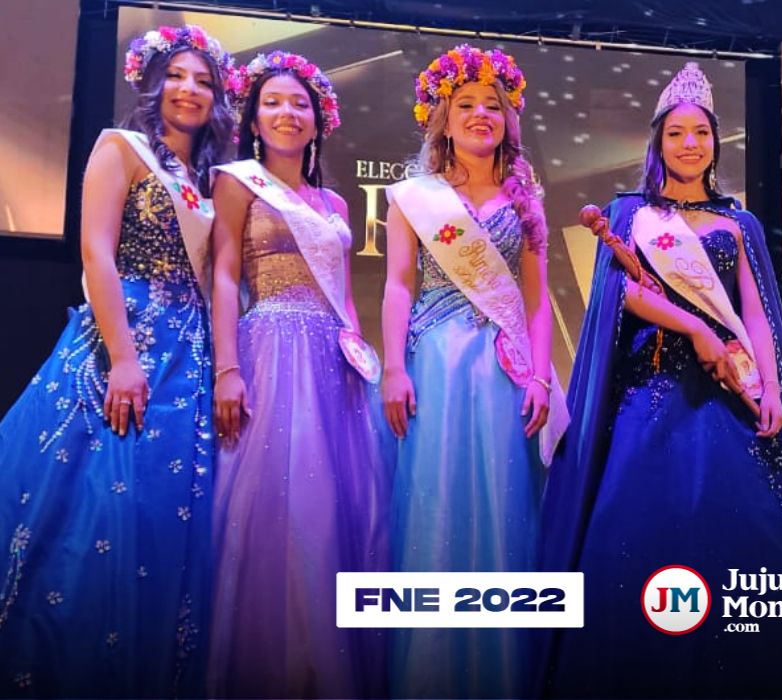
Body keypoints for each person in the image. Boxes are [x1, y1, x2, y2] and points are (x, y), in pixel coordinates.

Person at [539, 63, 782, 699]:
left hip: (729, 392)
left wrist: (772, 387)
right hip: (652, 387)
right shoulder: (629, 214)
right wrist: (696, 327)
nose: (689, 144)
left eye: (700, 133)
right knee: (640, 527)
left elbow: (757, 311)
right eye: (676, 134)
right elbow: (622, 294)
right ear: (658, 143)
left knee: (749, 531)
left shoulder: (737, 223)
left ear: (715, 143)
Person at [0, 24, 234, 697]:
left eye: (204, 81)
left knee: (166, 511)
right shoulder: (120, 147)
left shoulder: (207, 179)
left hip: (189, 353)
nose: (190, 90)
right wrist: (124, 358)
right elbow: (96, 253)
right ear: (153, 82)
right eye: (178, 76)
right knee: (98, 505)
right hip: (124, 337)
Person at [380, 44, 567, 698]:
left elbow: (537, 301)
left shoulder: (526, 198)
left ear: (508, 120)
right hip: (435, 363)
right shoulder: (415, 197)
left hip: (505, 368)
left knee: (502, 499)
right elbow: (397, 285)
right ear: (444, 117)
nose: (481, 114)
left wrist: (540, 376)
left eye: (493, 104)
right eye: (466, 104)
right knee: (436, 502)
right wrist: (393, 368)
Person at [206, 50, 388, 698]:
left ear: (318, 119)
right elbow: (224, 277)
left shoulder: (334, 200)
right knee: (280, 504)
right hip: (270, 349)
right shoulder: (237, 182)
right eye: (273, 102)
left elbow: (342, 290)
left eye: (300, 103)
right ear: (254, 118)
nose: (288, 113)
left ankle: (327, 667)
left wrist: (358, 354)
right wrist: (227, 367)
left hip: (331, 359)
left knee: (338, 503)